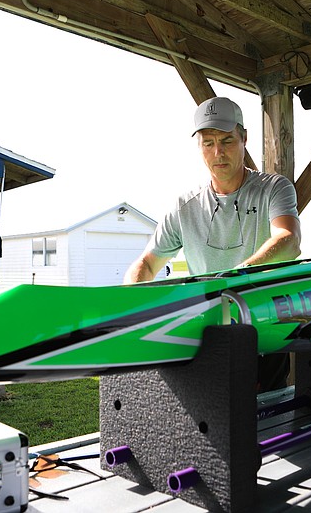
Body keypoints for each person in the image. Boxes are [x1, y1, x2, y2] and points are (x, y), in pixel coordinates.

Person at [124, 96, 301, 391]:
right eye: (208, 143)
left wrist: (234, 278)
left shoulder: (274, 188)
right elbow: (147, 263)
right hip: (207, 334)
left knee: (271, 423)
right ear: (199, 147)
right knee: (212, 420)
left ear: (244, 138)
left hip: (265, 332)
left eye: (227, 141)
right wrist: (131, 304)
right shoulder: (184, 206)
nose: (218, 152)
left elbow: (289, 239)